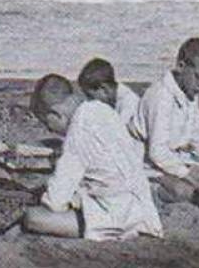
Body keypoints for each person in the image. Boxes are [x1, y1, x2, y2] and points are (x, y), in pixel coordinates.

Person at [23, 73, 163, 241]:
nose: (51, 131)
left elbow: (55, 201)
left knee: (33, 218)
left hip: (119, 216)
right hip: (143, 207)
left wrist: (42, 197)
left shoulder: (79, 128)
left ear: (56, 113)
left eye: (48, 124)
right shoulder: (101, 109)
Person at [123, 38, 199, 200]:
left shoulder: (190, 92)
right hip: (143, 161)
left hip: (171, 157)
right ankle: (151, 189)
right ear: (181, 66)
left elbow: (197, 135)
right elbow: (157, 152)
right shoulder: (161, 96)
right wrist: (188, 174)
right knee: (182, 191)